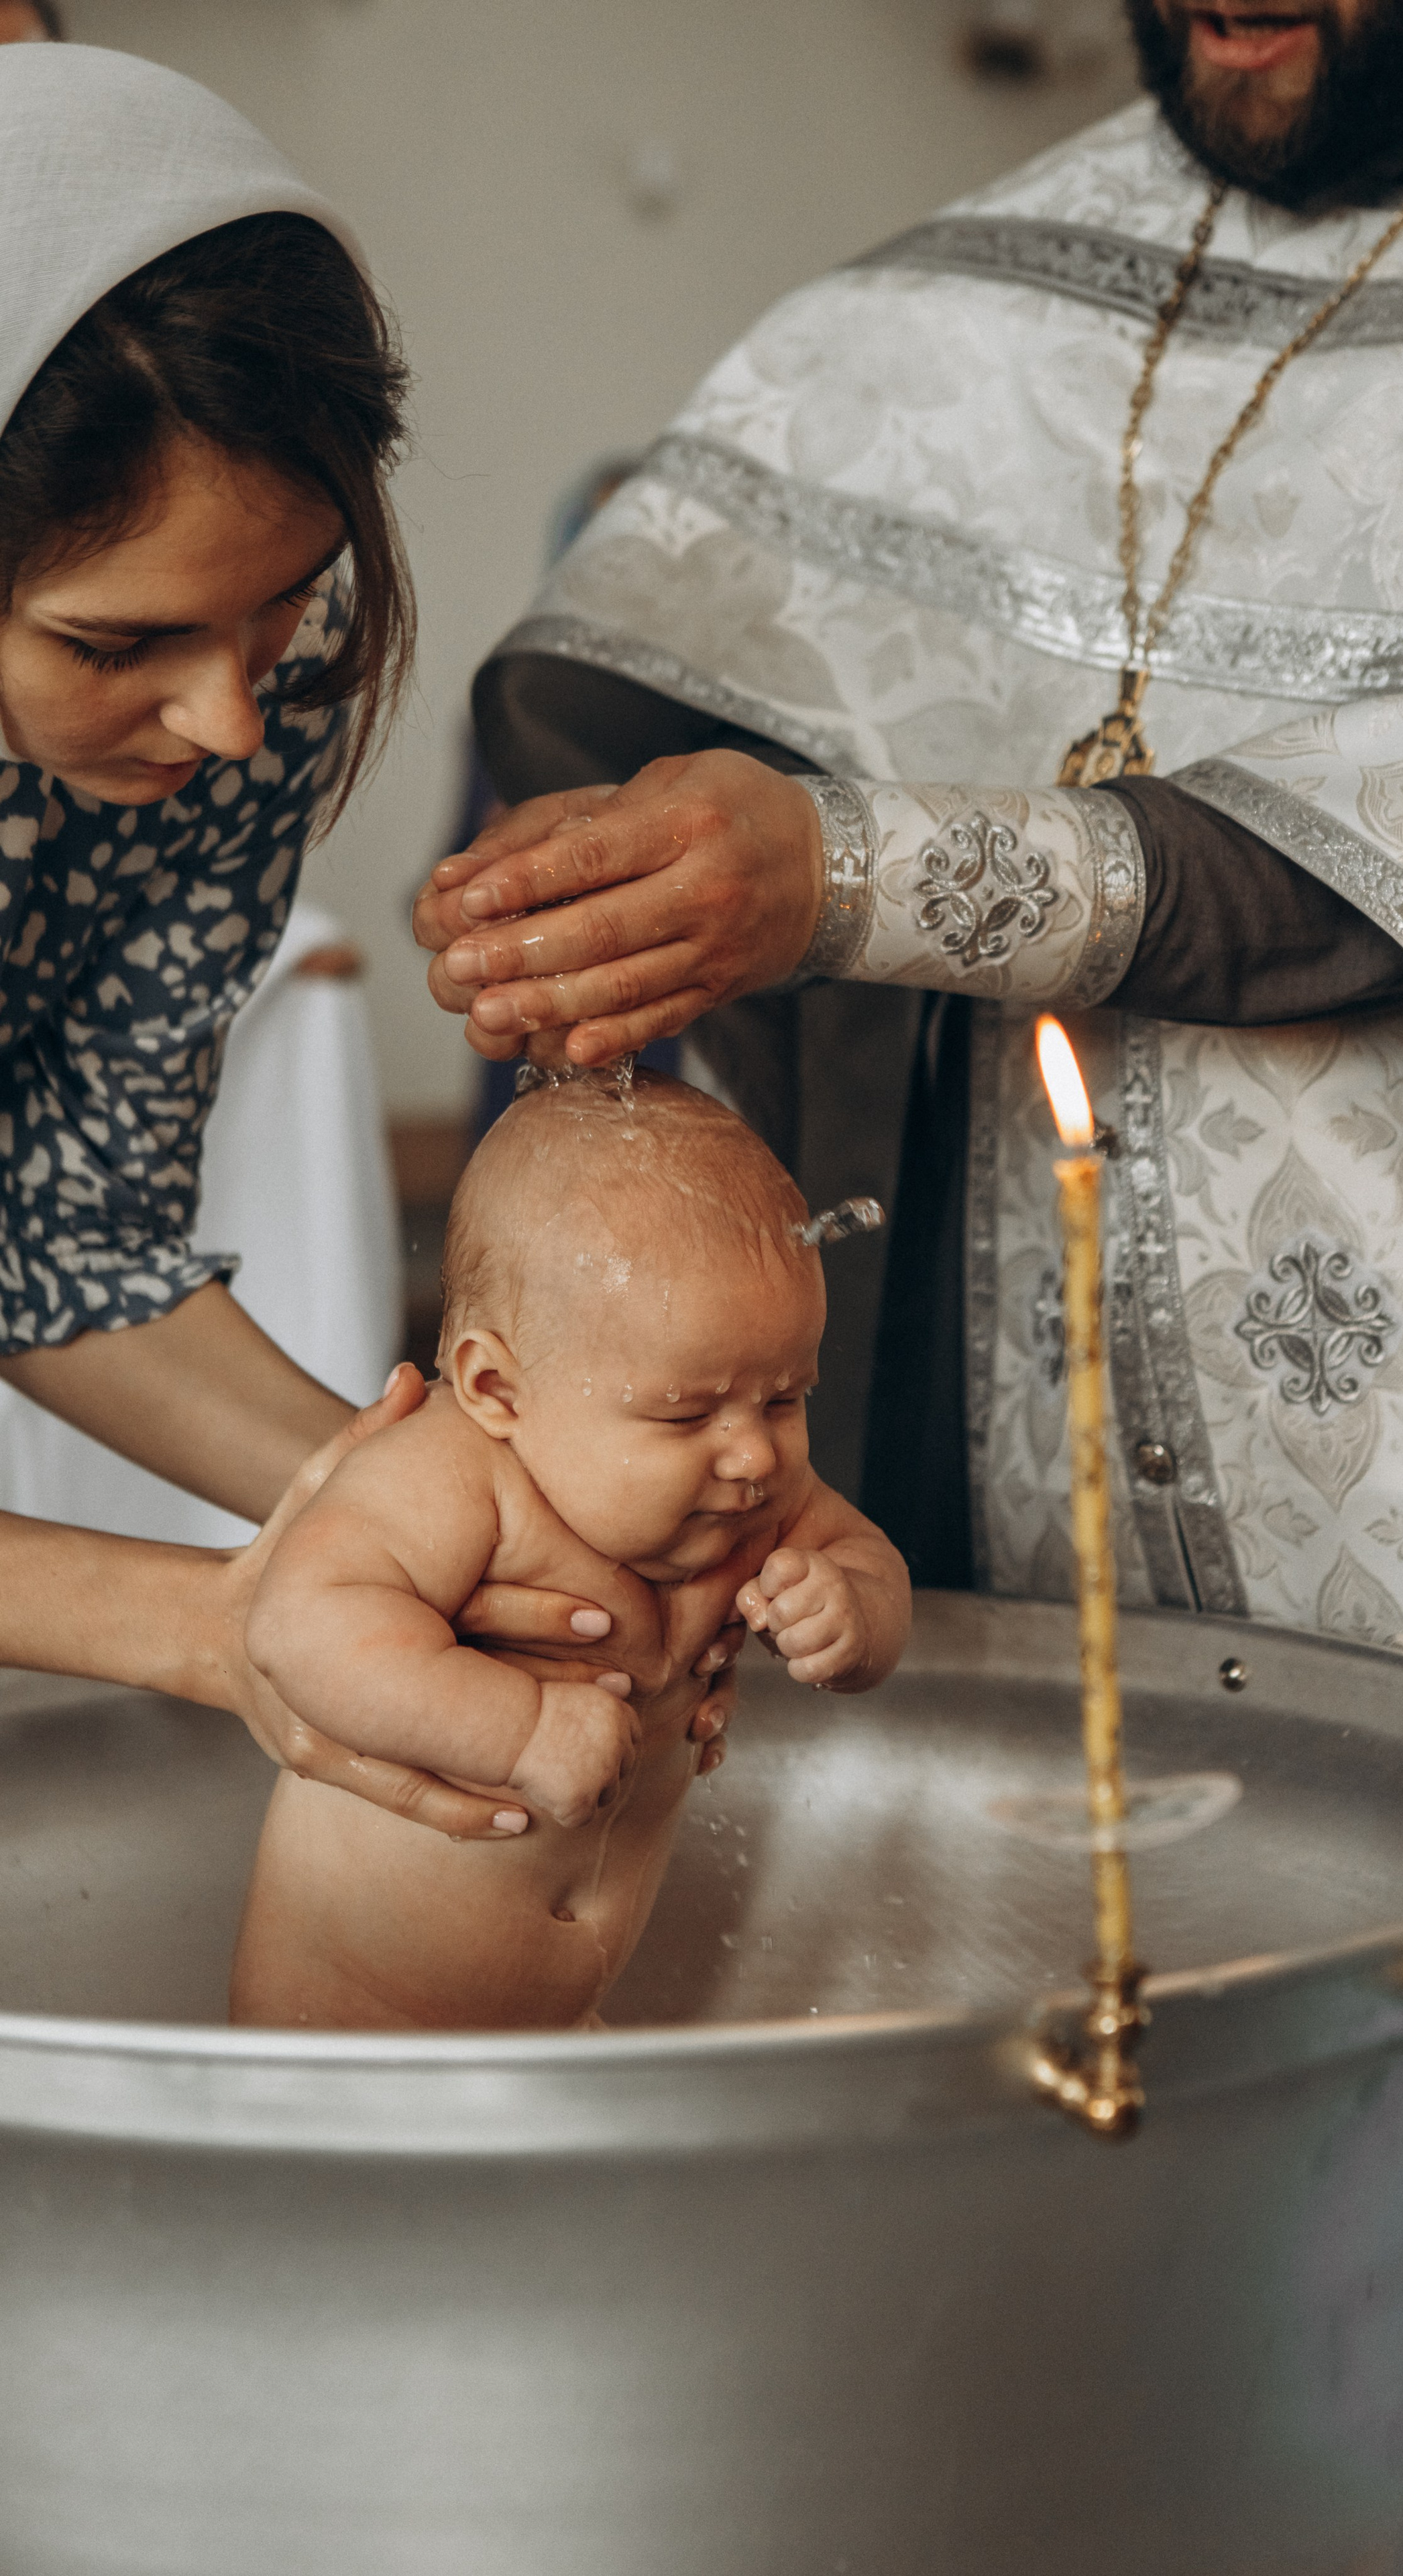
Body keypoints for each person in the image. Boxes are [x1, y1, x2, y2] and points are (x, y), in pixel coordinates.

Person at [415, 0, 1403, 2567]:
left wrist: (865, 874)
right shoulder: (987, 293)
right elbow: (620, 671)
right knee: (1058, 2311)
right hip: (994, 1493)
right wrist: (623, 907)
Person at [0, 46, 731, 1839]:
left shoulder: (251, 693)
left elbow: (59, 1228)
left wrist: (449, 1517)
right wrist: (221, 1624)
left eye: (284, 605)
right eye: (118, 646)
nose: (231, 723)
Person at [230, 1071, 909, 2031]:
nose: (756, 1452)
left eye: (787, 1398)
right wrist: (515, 1730)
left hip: (564, 2031)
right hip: (351, 2043)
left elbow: (870, 1562)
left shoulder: (749, 1494)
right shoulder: (455, 1475)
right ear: (498, 1387)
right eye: (685, 1413)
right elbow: (300, 1625)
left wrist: (849, 1611)